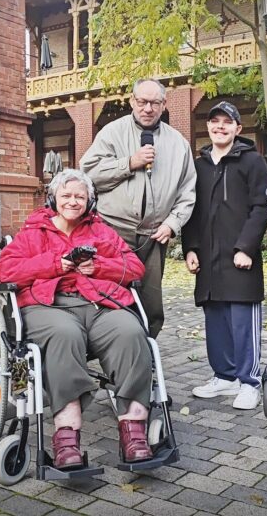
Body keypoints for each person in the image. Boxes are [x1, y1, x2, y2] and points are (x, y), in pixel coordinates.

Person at [0, 169, 154, 469]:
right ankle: (67, 438)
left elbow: (134, 267)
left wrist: (100, 267)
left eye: (80, 196)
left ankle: (134, 432)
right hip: (47, 306)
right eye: (66, 195)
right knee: (64, 334)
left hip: (97, 304)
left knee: (129, 331)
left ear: (90, 202)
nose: (73, 201)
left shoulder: (100, 231)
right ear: (53, 198)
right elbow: (7, 272)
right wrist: (56, 264)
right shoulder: (34, 232)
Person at [80, 78, 197, 338]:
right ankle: (112, 351)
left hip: (155, 236)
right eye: (142, 102)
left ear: (164, 104)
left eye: (154, 103)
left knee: (150, 302)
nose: (148, 108)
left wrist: (172, 224)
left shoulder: (178, 143)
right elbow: (88, 173)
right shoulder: (112, 133)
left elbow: (188, 193)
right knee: (110, 295)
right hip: (113, 233)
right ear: (132, 101)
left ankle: (146, 353)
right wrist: (129, 163)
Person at [182, 101, 267, 410]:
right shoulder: (199, 165)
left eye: (226, 122)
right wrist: (191, 247)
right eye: (214, 122)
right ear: (208, 127)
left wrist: (246, 247)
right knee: (215, 318)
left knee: (242, 319)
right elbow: (190, 209)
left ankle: (250, 382)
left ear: (237, 128)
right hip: (208, 256)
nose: (220, 127)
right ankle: (224, 376)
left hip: (240, 256)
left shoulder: (252, 161)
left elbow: (261, 206)